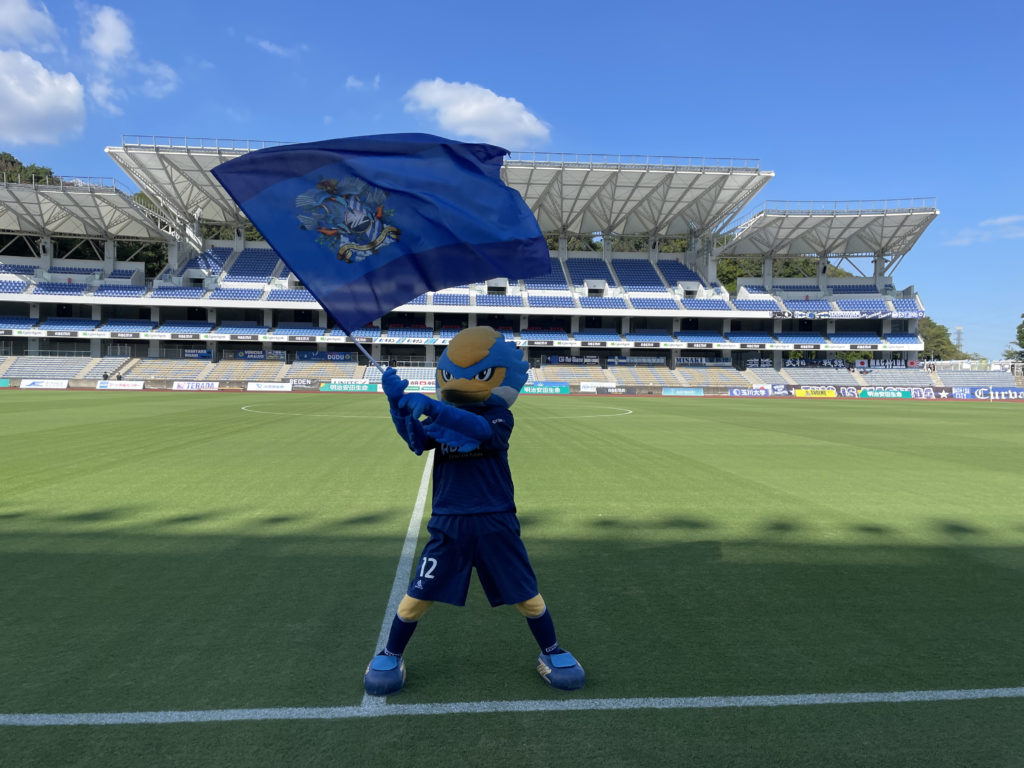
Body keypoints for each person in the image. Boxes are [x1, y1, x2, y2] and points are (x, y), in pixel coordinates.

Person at [363, 326, 584, 696]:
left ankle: (551, 649)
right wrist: (396, 405)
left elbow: (479, 430)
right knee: (417, 598)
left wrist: (433, 408)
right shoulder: (445, 416)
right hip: (449, 523)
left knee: (527, 597)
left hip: (496, 521)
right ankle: (391, 653)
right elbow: (417, 440)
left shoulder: (498, 417)